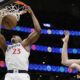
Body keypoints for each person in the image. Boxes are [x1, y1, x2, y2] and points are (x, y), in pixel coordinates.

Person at [0, 6, 41, 80]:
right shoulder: (6, 48)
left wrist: (31, 13)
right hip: (9, 75)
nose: (13, 36)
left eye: (16, 36)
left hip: (22, 75)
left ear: (21, 40)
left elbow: (38, 30)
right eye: (13, 36)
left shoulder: (24, 44)